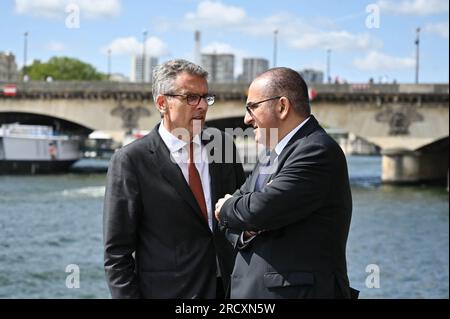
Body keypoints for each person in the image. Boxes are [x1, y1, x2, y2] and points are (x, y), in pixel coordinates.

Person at [103, 59, 245, 299]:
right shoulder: (131, 160)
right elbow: (117, 255)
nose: (202, 106)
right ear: (162, 103)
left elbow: (241, 217)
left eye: (205, 97)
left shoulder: (223, 146)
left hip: (231, 291)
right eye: (190, 97)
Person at [215, 67, 356, 299]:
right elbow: (232, 221)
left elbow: (259, 209)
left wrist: (233, 208)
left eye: (252, 107)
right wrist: (248, 224)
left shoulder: (317, 151)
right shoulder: (271, 155)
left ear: (282, 106)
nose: (246, 118)